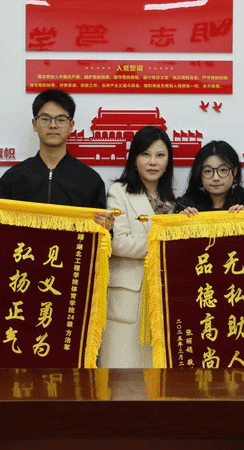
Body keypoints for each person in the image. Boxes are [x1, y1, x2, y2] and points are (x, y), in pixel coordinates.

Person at [0, 89, 111, 228]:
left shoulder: (90, 180)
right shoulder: (14, 177)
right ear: (35, 124)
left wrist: (106, 225)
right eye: (45, 119)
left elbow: (101, 234)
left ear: (71, 126)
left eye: (61, 120)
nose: (53, 125)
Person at [99, 126, 176, 368]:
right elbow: (118, 243)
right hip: (127, 299)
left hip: (161, 300)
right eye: (145, 154)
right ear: (134, 159)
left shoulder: (174, 199)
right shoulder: (118, 192)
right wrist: (163, 243)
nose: (153, 162)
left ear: (168, 161)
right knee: (121, 377)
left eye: (160, 155)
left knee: (156, 379)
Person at [176, 140, 244, 214]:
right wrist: (182, 219)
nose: (216, 178)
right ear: (199, 173)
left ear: (235, 171)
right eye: (208, 171)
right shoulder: (186, 204)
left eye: (223, 170)